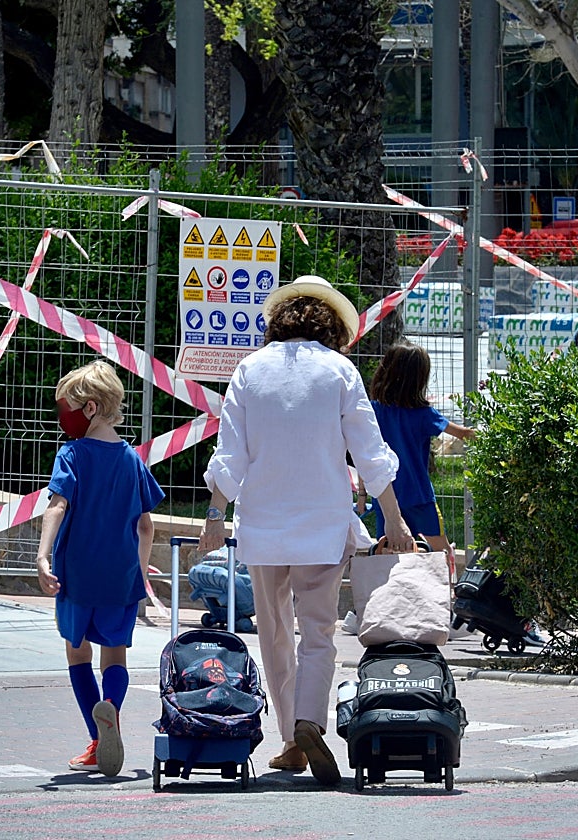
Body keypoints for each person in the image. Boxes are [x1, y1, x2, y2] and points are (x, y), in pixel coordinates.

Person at [198, 275, 415, 786]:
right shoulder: (340, 371)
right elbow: (369, 449)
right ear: (332, 323)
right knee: (317, 631)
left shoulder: (249, 370)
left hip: (264, 525)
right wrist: (394, 517)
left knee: (273, 632)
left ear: (281, 319)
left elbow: (231, 453)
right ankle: (309, 719)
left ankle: (292, 743)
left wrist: (214, 514)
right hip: (323, 522)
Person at [36, 360, 164, 777]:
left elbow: (58, 505)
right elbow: (146, 526)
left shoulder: (72, 454)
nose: (63, 419)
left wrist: (42, 555)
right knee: (116, 654)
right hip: (120, 576)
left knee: (77, 650)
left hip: (76, 572)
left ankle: (96, 736)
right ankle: (111, 709)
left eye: (66, 410)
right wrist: (139, 574)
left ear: (89, 408)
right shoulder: (132, 461)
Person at [366, 342, 476, 556]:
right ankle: (448, 587)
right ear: (420, 378)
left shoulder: (373, 411)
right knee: (441, 551)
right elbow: (462, 433)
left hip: (385, 495)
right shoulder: (425, 414)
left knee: (387, 551)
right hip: (419, 495)